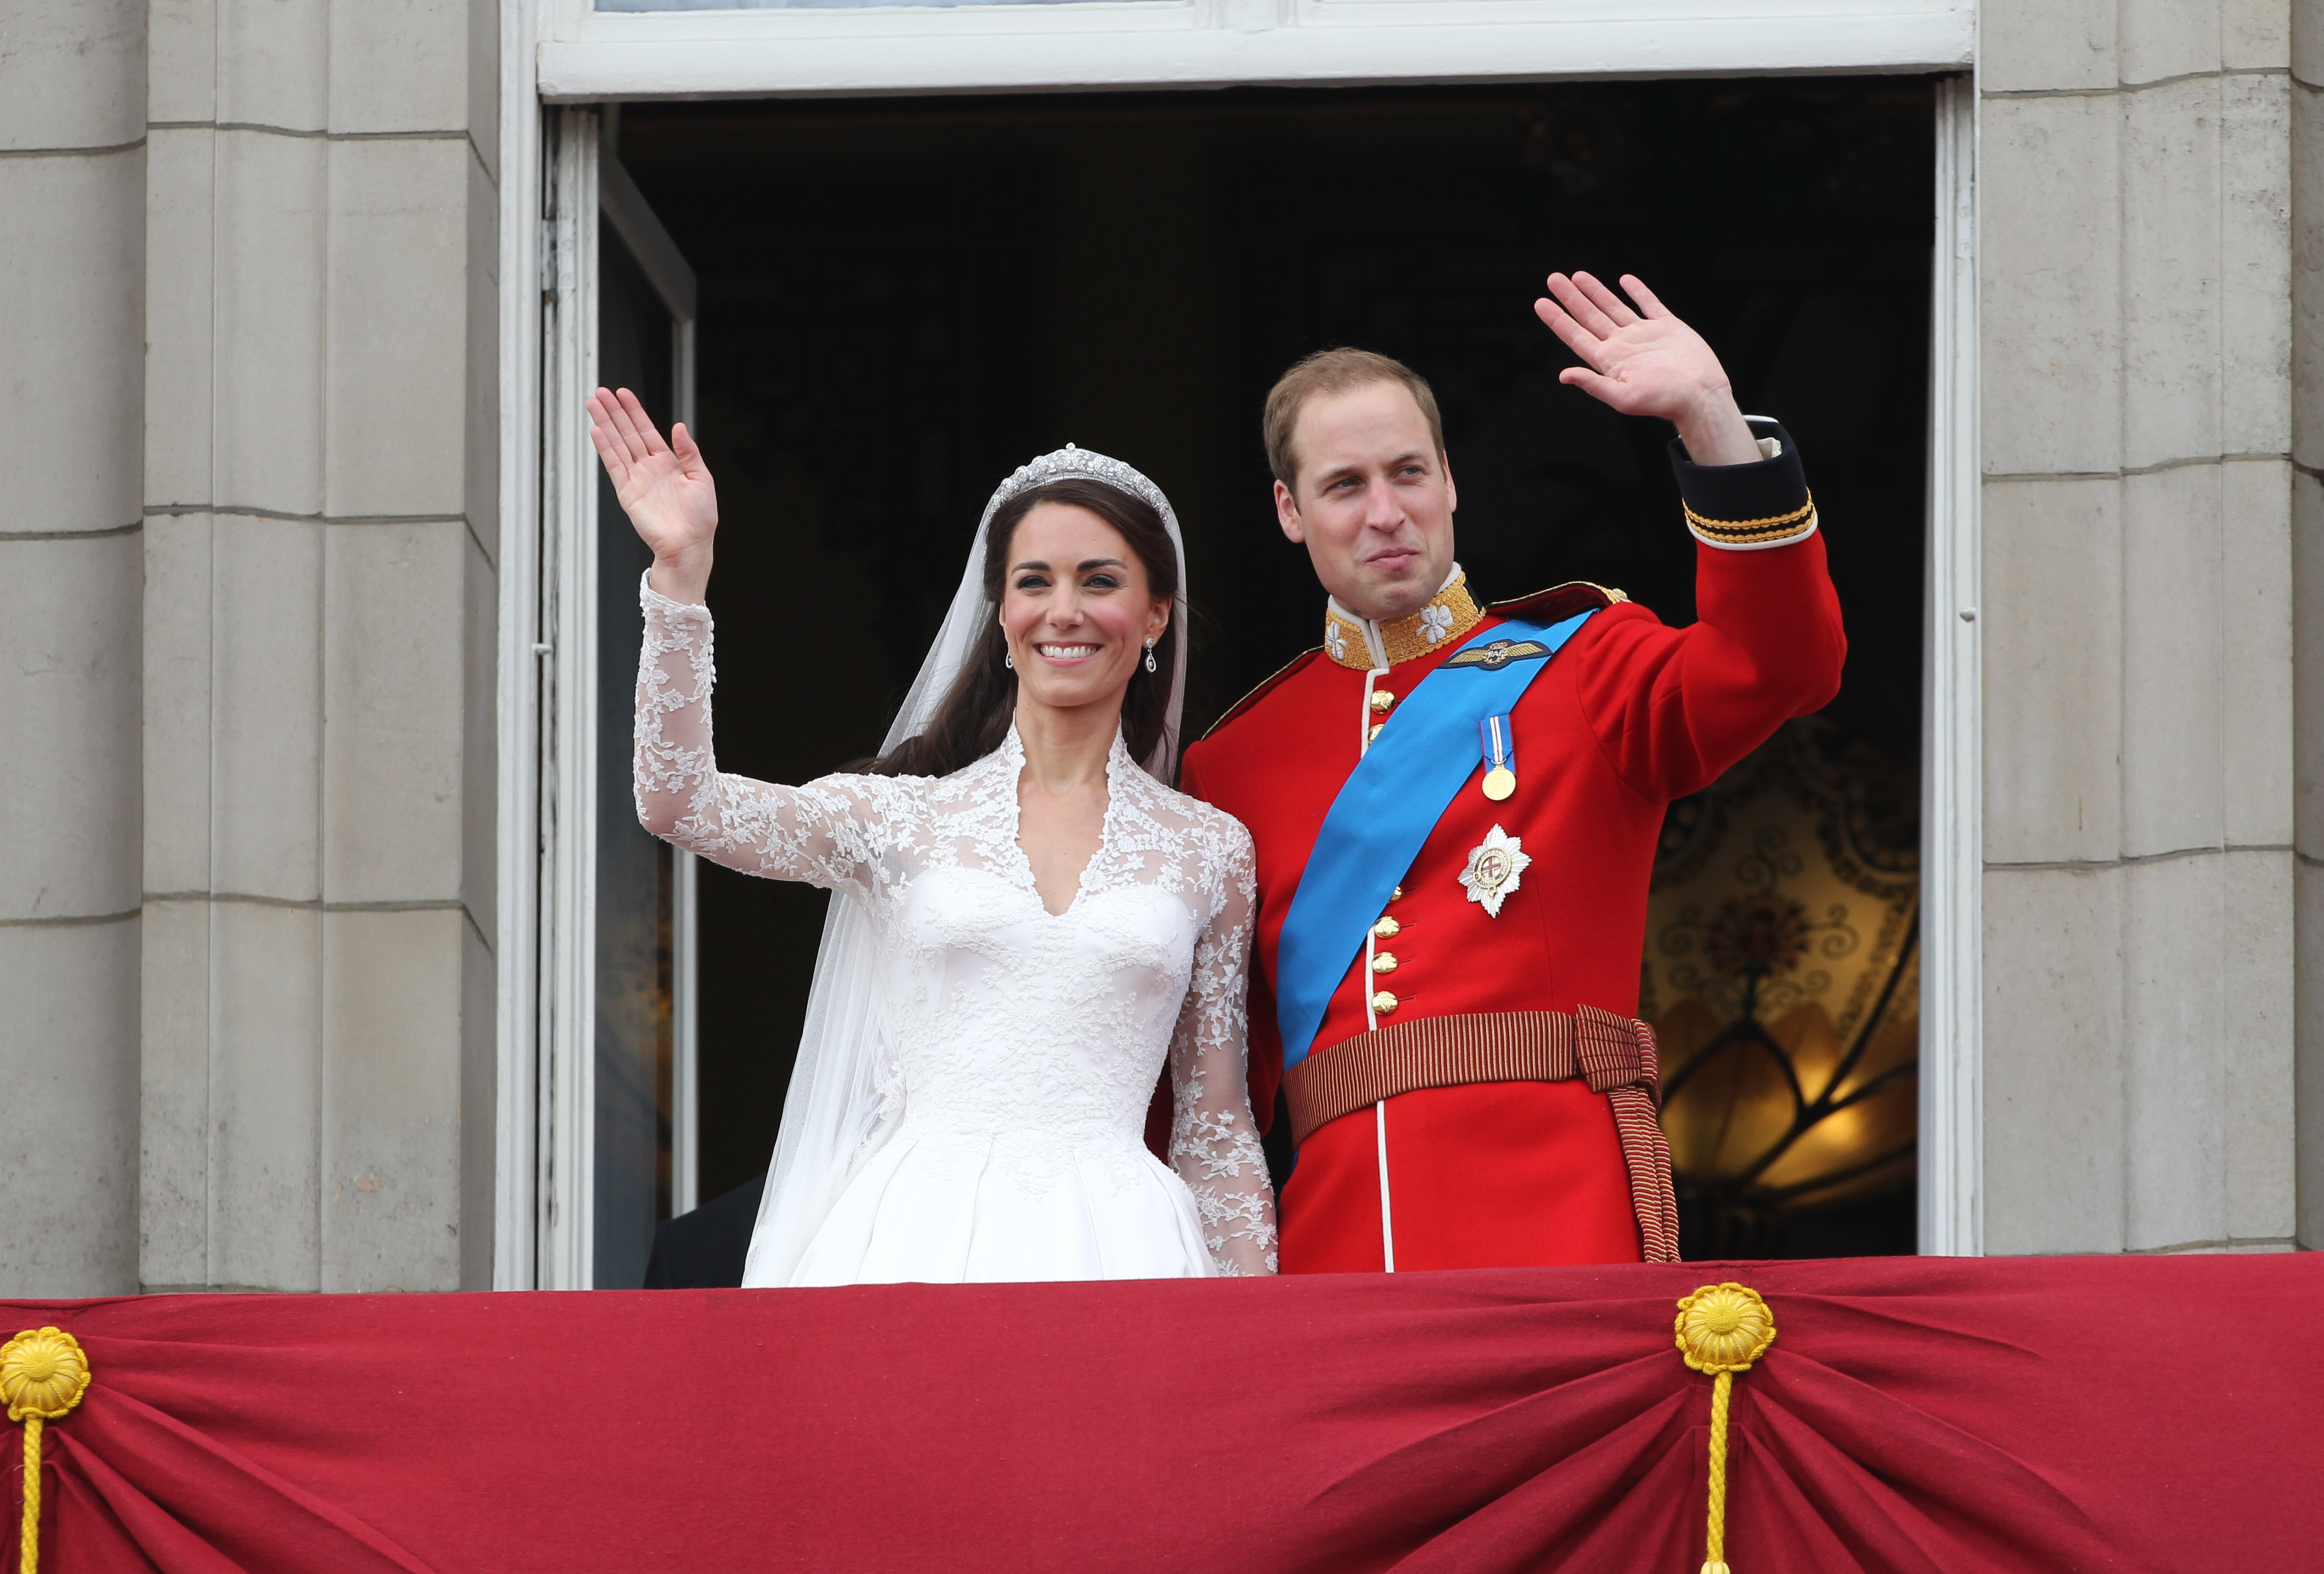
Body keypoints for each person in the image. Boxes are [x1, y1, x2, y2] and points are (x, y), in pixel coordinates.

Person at [1178, 272, 1846, 1273]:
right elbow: (1203, 1085)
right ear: (1288, 509)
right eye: (1345, 486)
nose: (1386, 512)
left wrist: (1712, 423)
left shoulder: (1584, 664)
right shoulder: (1231, 763)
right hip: (1340, 1249)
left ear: (1450, 479)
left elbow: (1782, 665)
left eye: (1409, 473)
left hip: (1555, 1223)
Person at [587, 387, 1277, 1284]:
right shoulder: (901, 816)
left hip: (1128, 1250)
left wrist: (1255, 1334)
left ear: (1154, 617)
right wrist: (680, 576)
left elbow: (1215, 1121)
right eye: (1034, 581)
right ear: (1000, 612)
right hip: (916, 1236)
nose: (1063, 609)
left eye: (1099, 580)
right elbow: (682, 803)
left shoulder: (1210, 850)